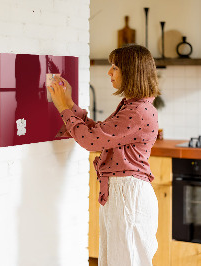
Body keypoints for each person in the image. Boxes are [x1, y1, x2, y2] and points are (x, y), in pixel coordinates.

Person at [48, 44, 160, 266]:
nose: (109, 72)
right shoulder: (133, 106)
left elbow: (91, 141)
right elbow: (99, 133)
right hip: (123, 193)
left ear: (131, 72)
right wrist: (69, 104)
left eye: (115, 67)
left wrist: (63, 108)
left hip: (128, 195)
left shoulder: (137, 111)